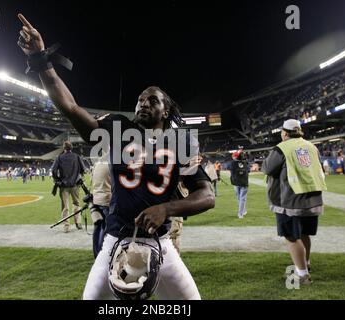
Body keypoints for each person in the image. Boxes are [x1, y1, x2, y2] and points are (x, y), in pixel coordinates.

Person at [17, 13, 215, 300]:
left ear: (167, 111)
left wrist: (166, 209)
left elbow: (207, 196)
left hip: (161, 242)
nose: (143, 102)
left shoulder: (180, 142)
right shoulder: (118, 128)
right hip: (115, 239)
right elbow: (71, 108)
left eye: (153, 100)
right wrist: (40, 60)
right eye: (141, 99)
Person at [262, 119, 327, 285]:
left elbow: (268, 168)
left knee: (291, 236)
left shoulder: (282, 148)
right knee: (304, 233)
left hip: (290, 200)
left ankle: (302, 274)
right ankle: (305, 264)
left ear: (284, 132)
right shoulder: (312, 146)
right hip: (312, 198)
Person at [51, 141, 86, 233]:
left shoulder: (59, 157)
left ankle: (66, 227)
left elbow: (53, 170)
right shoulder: (77, 157)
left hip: (63, 186)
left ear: (64, 148)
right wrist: (79, 177)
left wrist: (57, 179)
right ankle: (78, 223)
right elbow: (83, 169)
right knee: (77, 204)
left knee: (65, 206)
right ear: (72, 148)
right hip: (75, 185)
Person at [90, 152, 112, 257]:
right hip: (107, 200)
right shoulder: (112, 162)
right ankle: (102, 255)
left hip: (96, 199)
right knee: (107, 230)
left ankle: (97, 254)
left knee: (98, 227)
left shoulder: (97, 163)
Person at [230, 149, 249, 218]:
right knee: (242, 199)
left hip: (236, 183)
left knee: (240, 198)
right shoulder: (245, 163)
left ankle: (241, 212)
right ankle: (242, 212)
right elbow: (248, 170)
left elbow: (231, 172)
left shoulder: (232, 163)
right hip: (243, 183)